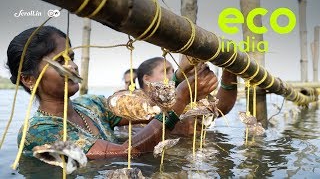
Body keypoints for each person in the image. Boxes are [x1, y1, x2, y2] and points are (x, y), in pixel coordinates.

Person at [7, 26, 217, 159]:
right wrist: (180, 98)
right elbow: (124, 153)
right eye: (60, 62)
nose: (72, 67)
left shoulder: (91, 104)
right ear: (29, 79)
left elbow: (150, 108)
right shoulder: (38, 132)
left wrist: (180, 75)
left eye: (71, 57)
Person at [137, 56, 238, 135]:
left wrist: (229, 72)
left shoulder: (185, 101)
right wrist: (178, 76)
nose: (171, 75)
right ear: (147, 79)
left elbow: (221, 108)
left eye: (173, 71)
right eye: (166, 71)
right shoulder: (132, 101)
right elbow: (153, 107)